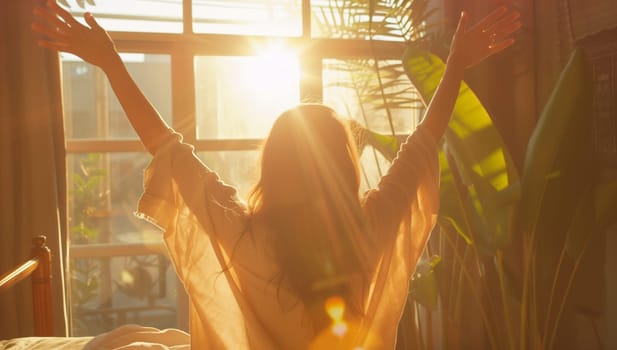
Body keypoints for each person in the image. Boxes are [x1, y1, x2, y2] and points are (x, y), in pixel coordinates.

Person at [32, 1, 521, 348]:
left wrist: (110, 62)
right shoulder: (369, 229)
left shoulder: (242, 233)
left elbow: (166, 145)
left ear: (273, 166)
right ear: (344, 170)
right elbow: (422, 145)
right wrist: (455, 63)